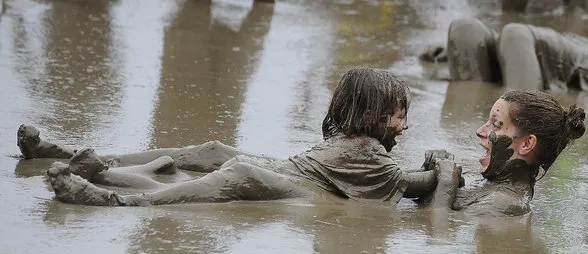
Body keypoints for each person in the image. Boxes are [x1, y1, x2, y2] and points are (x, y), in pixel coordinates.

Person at [22, 67, 453, 206]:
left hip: (281, 174)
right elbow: (425, 184)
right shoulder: (372, 156)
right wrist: (447, 166)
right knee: (214, 153)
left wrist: (436, 169)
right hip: (279, 173)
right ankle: (92, 173)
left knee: (221, 161)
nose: (405, 126)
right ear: (371, 116)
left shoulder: (362, 148)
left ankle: (102, 181)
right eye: (399, 116)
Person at [448, 88, 586, 216]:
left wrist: (445, 182)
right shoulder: (490, 184)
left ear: (526, 144)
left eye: (495, 125)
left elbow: (440, 226)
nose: (479, 131)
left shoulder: (505, 202)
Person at [419, 17, 588, 91]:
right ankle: (465, 123)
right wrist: (450, 51)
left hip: (581, 60)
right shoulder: (587, 39)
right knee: (465, 28)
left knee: (516, 33)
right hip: (540, 50)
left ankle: (517, 117)